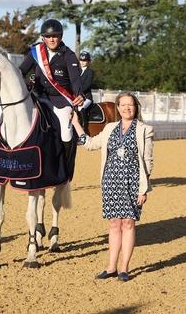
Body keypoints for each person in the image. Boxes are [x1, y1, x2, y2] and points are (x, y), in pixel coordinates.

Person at [70, 91, 154, 282]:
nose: (127, 108)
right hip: (111, 182)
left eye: (130, 105)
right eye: (123, 105)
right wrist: (76, 123)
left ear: (136, 107)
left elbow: (148, 162)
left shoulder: (144, 130)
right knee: (114, 223)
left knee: (128, 223)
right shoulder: (109, 128)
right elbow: (90, 144)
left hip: (132, 183)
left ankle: (124, 268)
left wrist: (144, 189)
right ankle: (111, 267)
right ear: (117, 108)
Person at [19, 19, 85, 160]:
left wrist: (79, 93)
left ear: (60, 36)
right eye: (48, 36)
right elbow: (21, 71)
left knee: (66, 133)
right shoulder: (36, 51)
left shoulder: (69, 55)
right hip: (37, 96)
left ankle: (64, 166)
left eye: (54, 36)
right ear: (43, 37)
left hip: (60, 100)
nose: (51, 39)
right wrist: (25, 82)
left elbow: (75, 78)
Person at [77, 51, 94, 131]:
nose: (82, 62)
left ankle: (84, 128)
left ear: (88, 61)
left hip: (86, 97)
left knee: (80, 107)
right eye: (81, 60)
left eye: (84, 60)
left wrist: (79, 91)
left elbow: (87, 85)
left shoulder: (90, 72)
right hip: (77, 96)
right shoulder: (77, 71)